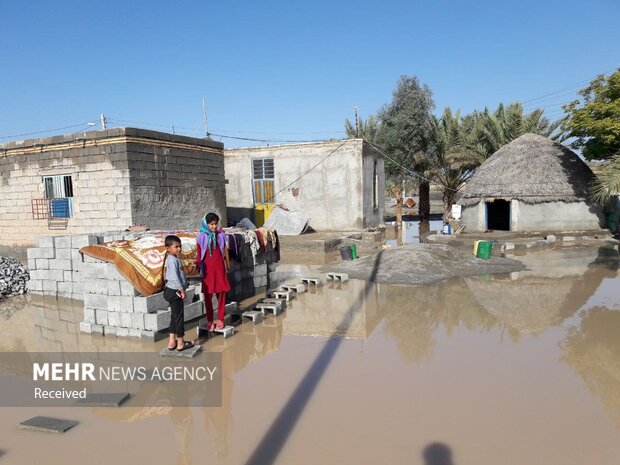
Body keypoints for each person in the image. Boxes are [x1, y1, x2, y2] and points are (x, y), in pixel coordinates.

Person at [195, 213, 231, 331]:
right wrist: (198, 267)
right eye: (211, 224)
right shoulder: (200, 237)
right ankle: (210, 320)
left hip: (219, 268)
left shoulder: (221, 236)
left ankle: (220, 319)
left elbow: (224, 253)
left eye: (216, 224)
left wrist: (226, 267)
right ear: (206, 224)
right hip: (207, 270)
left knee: (221, 294)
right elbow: (200, 255)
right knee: (208, 296)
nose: (214, 227)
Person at [163, 235, 195, 351]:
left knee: (174, 316)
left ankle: (172, 342)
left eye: (180, 247)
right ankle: (181, 343)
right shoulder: (172, 260)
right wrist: (181, 290)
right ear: (168, 248)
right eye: (176, 247)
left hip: (171, 290)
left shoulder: (173, 259)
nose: (179, 249)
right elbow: (175, 278)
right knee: (179, 318)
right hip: (175, 291)